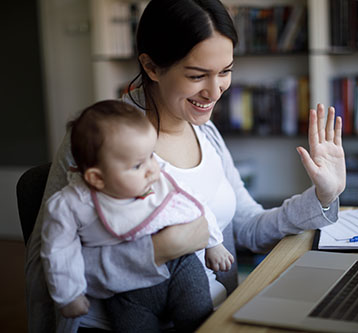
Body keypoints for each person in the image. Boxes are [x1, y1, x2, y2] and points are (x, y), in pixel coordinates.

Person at [25, 0, 346, 331]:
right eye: (197, 75)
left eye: (225, 72)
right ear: (151, 67)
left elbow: (247, 227)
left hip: (215, 314)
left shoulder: (206, 131)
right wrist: (158, 251)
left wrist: (322, 196)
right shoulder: (101, 138)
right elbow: (46, 268)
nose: (214, 90)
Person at [40, 100, 233, 331]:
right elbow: (58, 251)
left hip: (180, 268)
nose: (153, 168)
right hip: (125, 290)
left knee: (199, 321)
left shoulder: (158, 177)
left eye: (151, 155)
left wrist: (214, 243)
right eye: (137, 165)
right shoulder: (71, 204)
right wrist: (69, 295)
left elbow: (194, 204)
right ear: (97, 178)